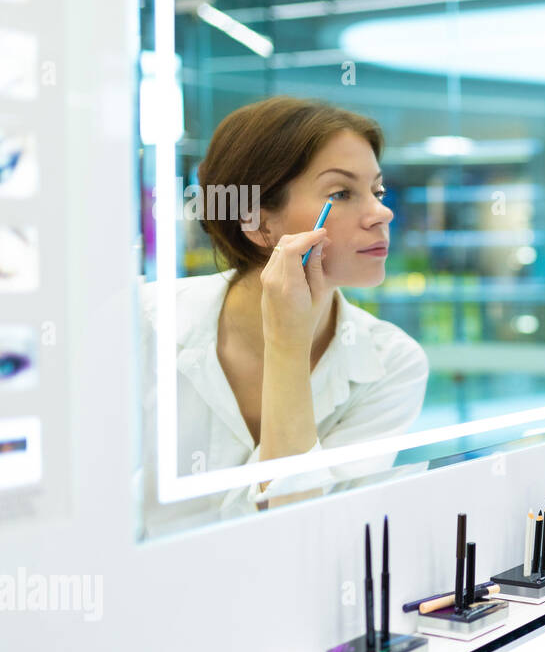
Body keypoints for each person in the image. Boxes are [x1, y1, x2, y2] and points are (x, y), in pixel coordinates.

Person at [138, 97, 428, 537]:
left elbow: (296, 530)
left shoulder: (392, 364)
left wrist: (288, 346)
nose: (381, 213)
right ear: (257, 224)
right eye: (341, 193)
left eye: (378, 191)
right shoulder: (140, 323)